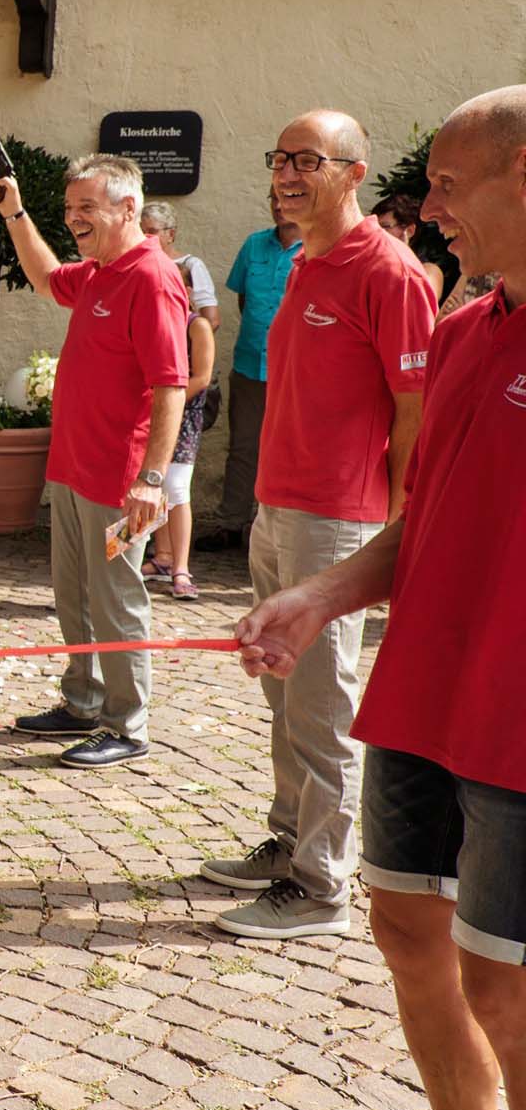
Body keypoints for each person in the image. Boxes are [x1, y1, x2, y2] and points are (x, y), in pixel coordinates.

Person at [235, 86, 526, 1110]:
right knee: (408, 934)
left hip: (513, 719)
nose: (429, 206)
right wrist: (317, 596)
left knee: (504, 981)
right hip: (421, 702)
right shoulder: (461, 330)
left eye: (447, 186)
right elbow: (424, 522)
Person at [204, 111, 434, 942]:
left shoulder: (391, 271)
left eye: (307, 160)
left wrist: (399, 533)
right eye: (278, 158)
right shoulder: (305, 259)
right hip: (280, 506)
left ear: (353, 171)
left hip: (339, 519)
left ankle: (322, 880)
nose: (286, 174)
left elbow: (415, 414)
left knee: (321, 701)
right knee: (282, 688)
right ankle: (289, 837)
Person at [0, 155, 189, 769]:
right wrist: (15, 213)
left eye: (86, 208)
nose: (73, 219)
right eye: (69, 208)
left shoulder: (150, 277)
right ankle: (82, 702)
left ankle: (126, 724)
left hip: (120, 483)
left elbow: (171, 386)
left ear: (128, 209)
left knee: (118, 597)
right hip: (74, 470)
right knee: (75, 594)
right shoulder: (101, 270)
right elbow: (48, 279)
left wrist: (151, 481)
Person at [199, 189, 302, 551]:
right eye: (272, 198)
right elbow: (245, 301)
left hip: (295, 370)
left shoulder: (316, 249)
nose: (277, 204)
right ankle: (231, 522)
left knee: (290, 451)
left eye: (284, 198)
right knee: (243, 446)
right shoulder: (254, 245)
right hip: (249, 364)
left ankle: (276, 532)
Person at [147, 290, 216, 602]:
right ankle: (161, 556)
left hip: (182, 414)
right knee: (150, 484)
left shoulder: (196, 326)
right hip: (149, 413)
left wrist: (162, 404)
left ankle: (181, 568)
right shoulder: (153, 322)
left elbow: (201, 377)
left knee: (176, 488)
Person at [138, 201, 220, 328]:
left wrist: (188, 343)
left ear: (170, 234)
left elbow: (211, 320)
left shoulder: (191, 265)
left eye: (152, 231)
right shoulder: (134, 265)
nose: (145, 237)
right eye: (141, 231)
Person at [370, 193, 447, 302]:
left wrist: (402, 258)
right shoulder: (369, 264)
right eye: (373, 226)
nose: (375, 232)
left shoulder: (430, 271)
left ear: (409, 231)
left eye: (385, 227)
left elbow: (418, 300)